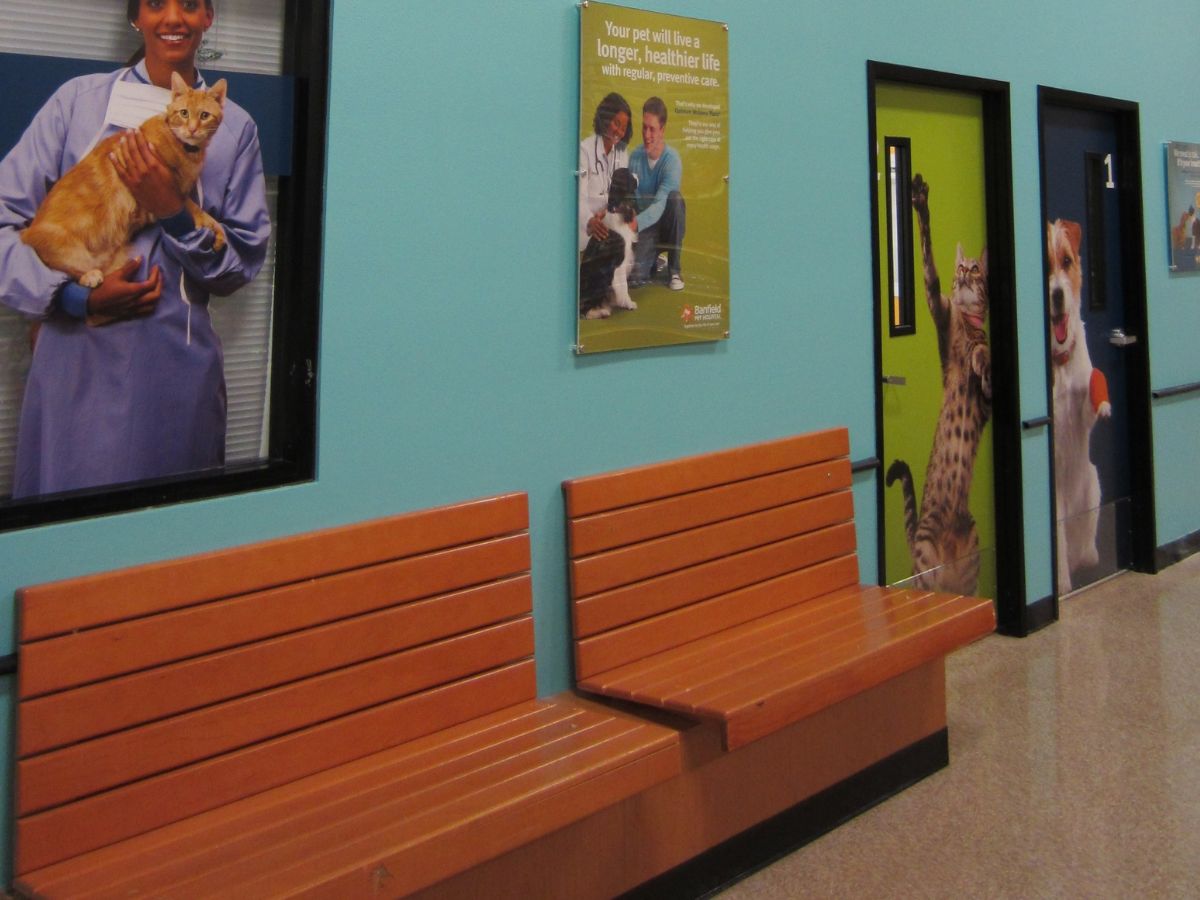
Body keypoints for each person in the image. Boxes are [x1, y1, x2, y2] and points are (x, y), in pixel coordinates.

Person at [0, 0, 271, 499]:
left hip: (174, 368)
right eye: (155, 4)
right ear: (136, 17)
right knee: (68, 545)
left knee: (166, 551)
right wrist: (72, 298)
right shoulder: (76, 104)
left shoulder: (233, 128)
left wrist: (171, 208)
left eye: (190, 5)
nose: (173, 18)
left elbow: (239, 266)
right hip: (75, 359)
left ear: (208, 17)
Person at [627, 96, 686, 291]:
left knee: (675, 200)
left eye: (652, 129)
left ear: (663, 130)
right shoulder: (635, 156)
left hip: (666, 223)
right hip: (646, 227)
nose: (647, 134)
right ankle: (653, 259)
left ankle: (674, 270)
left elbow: (661, 205)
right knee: (634, 279)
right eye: (644, 127)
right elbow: (630, 197)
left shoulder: (672, 160)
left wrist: (634, 224)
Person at [578, 92, 633, 252]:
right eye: (616, 123)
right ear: (605, 118)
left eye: (623, 128)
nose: (619, 132)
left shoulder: (622, 154)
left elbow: (623, 196)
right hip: (589, 230)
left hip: (612, 225)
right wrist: (590, 220)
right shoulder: (584, 150)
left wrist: (624, 207)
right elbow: (578, 199)